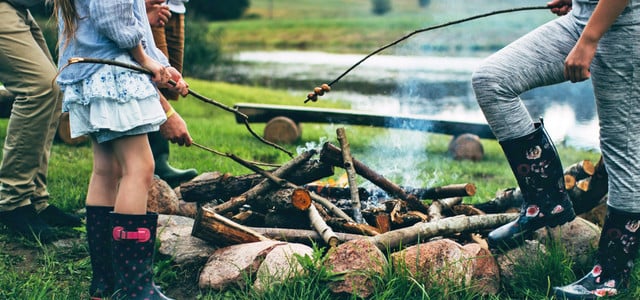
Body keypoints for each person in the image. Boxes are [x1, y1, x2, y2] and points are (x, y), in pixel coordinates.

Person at [471, 0, 640, 298]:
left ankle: (611, 278)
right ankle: (546, 203)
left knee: (621, 147)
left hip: (625, 27)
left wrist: (589, 40)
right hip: (583, 17)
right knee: (492, 79)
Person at [54, 0, 192, 298]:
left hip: (92, 74)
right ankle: (134, 287)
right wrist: (145, 60)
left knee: (108, 170)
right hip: (113, 76)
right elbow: (113, 17)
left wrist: (162, 66)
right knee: (139, 168)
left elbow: (130, 20)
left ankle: (107, 284)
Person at [0, 0, 82, 244]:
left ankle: (35, 199)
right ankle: (12, 201)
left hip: (18, 6)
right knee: (40, 87)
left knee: (53, 89)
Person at [146, 0, 197, 188]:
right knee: (153, 76)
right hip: (150, 5)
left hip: (176, 6)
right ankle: (151, 162)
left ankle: (159, 160)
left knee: (168, 81)